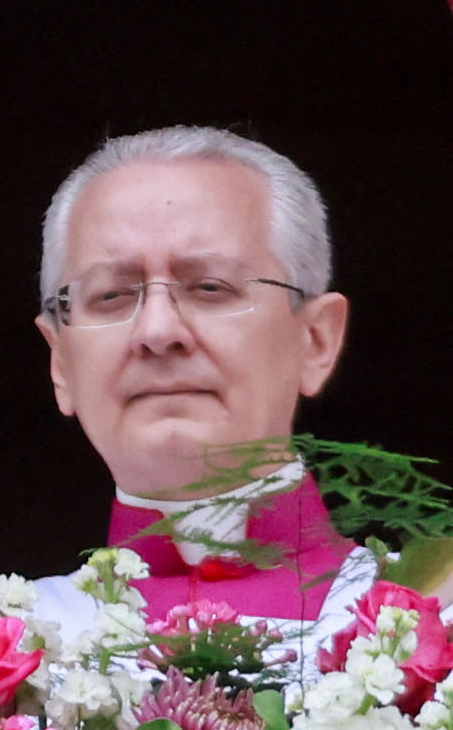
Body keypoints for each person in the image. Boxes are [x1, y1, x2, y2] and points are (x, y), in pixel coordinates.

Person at [34, 125, 370, 637]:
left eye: (211, 287)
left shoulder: (424, 621)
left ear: (316, 341)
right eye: (111, 296)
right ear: (60, 362)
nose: (158, 331)